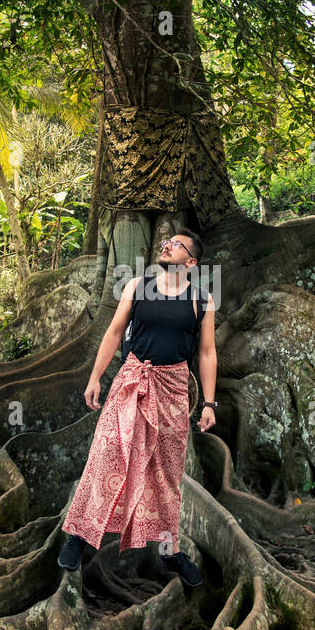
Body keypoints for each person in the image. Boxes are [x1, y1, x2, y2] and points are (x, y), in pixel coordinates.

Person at [57, 227, 217, 587]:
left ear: (191, 261)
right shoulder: (137, 287)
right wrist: (95, 377)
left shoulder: (202, 299)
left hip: (174, 390)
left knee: (166, 472)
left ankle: (169, 550)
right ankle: (77, 537)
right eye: (167, 242)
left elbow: (207, 352)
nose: (167, 246)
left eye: (176, 245)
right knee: (107, 454)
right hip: (132, 381)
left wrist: (209, 402)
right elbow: (114, 332)